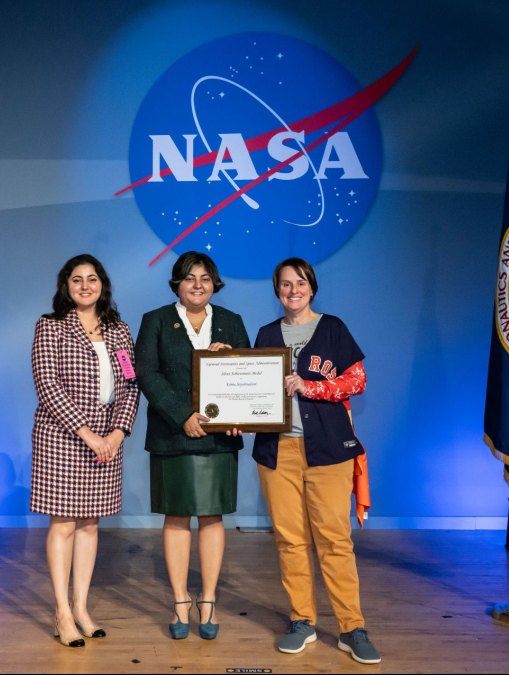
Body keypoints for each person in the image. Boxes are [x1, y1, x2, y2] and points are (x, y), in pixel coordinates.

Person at [252, 257, 381, 665]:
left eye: (301, 283)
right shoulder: (266, 334)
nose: (294, 291)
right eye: (286, 284)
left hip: (328, 451)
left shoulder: (333, 328)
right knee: (290, 540)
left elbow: (357, 380)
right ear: (277, 290)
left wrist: (311, 387)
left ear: (313, 287)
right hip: (278, 452)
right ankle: (302, 621)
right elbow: (249, 388)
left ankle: (351, 628)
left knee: (335, 541)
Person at [134, 251, 250, 640]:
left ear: (214, 283)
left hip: (219, 438)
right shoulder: (155, 321)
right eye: (189, 278)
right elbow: (147, 375)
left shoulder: (231, 322)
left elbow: (248, 374)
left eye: (204, 277)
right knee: (177, 516)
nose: (197, 285)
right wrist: (182, 414)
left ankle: (210, 599)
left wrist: (233, 359)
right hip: (172, 434)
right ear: (177, 284)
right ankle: (181, 599)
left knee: (213, 517)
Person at [30, 254, 139, 648]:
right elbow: (48, 386)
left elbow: (131, 386)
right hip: (63, 439)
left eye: (92, 279)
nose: (85, 285)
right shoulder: (51, 327)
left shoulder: (120, 331)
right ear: (66, 286)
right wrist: (90, 435)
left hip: (108, 441)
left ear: (102, 285)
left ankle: (81, 608)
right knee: (64, 523)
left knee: (90, 524)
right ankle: (61, 613)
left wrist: (118, 433)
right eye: (77, 280)